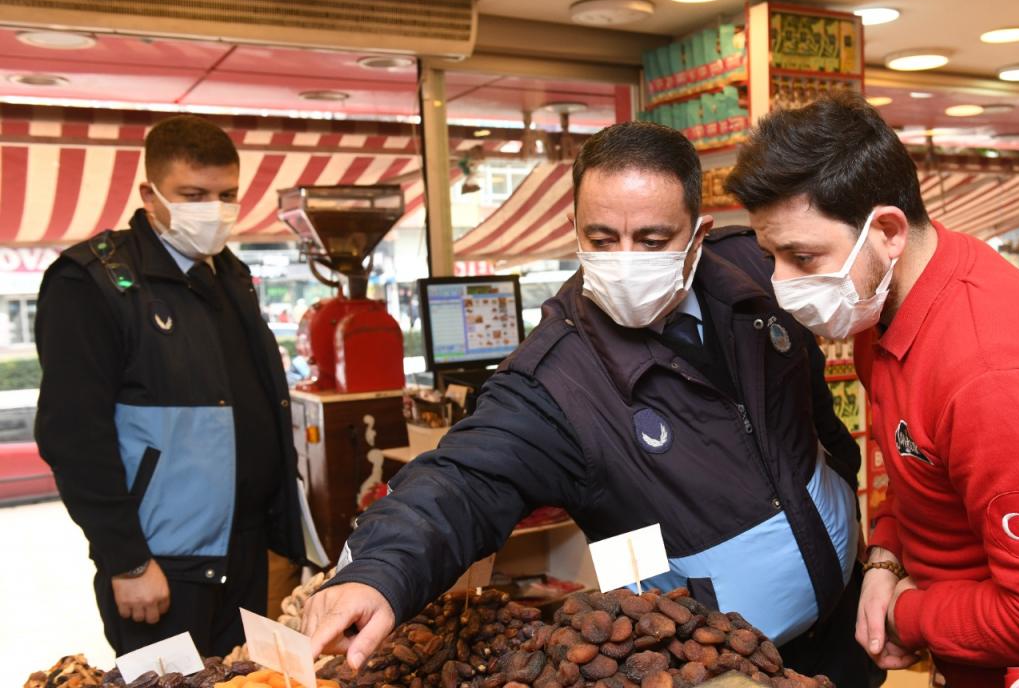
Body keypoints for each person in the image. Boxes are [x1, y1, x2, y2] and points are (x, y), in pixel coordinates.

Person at [303, 122, 877, 686]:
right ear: (573, 229)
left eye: (652, 241)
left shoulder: (760, 273)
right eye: (602, 240)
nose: (626, 259)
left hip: (847, 627)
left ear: (698, 236)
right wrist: (380, 570)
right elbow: (462, 480)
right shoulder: (552, 377)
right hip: (715, 670)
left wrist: (848, 511)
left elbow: (813, 404)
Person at [724, 92, 1019, 686]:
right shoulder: (885, 305)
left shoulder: (992, 376)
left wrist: (910, 614)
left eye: (803, 257)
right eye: (771, 256)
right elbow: (921, 474)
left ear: (886, 230)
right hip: (986, 654)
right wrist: (886, 556)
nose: (782, 284)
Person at [35, 115, 304, 657]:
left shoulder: (227, 274)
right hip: (162, 565)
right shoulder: (92, 283)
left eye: (227, 194)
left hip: (246, 552)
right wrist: (126, 558)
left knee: (246, 680)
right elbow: (74, 438)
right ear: (150, 195)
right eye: (193, 194)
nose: (215, 210)